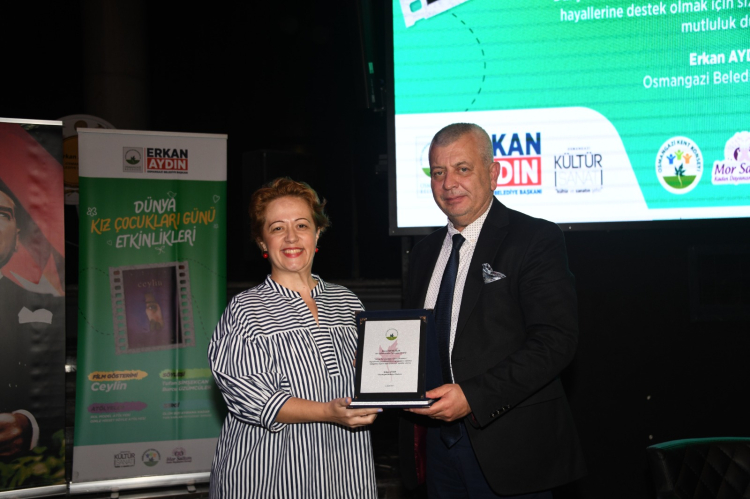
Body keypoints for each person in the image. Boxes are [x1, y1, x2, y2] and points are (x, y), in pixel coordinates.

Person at [399, 123, 586, 498]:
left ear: (493, 173)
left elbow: (556, 341)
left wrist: (473, 397)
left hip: (512, 449)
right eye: (438, 172)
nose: (449, 183)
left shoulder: (534, 239)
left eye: (462, 169)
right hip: (437, 450)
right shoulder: (422, 254)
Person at [208, 178, 379, 498]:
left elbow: (373, 376)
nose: (291, 237)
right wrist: (327, 411)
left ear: (318, 233)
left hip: (344, 472)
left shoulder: (347, 302)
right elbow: (253, 398)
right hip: (268, 477)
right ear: (262, 241)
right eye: (277, 228)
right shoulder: (245, 309)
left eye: (302, 225)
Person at [0, 186, 64, 459]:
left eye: (2, 214)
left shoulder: (45, 309)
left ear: (16, 240)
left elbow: (57, 386)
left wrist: (27, 425)